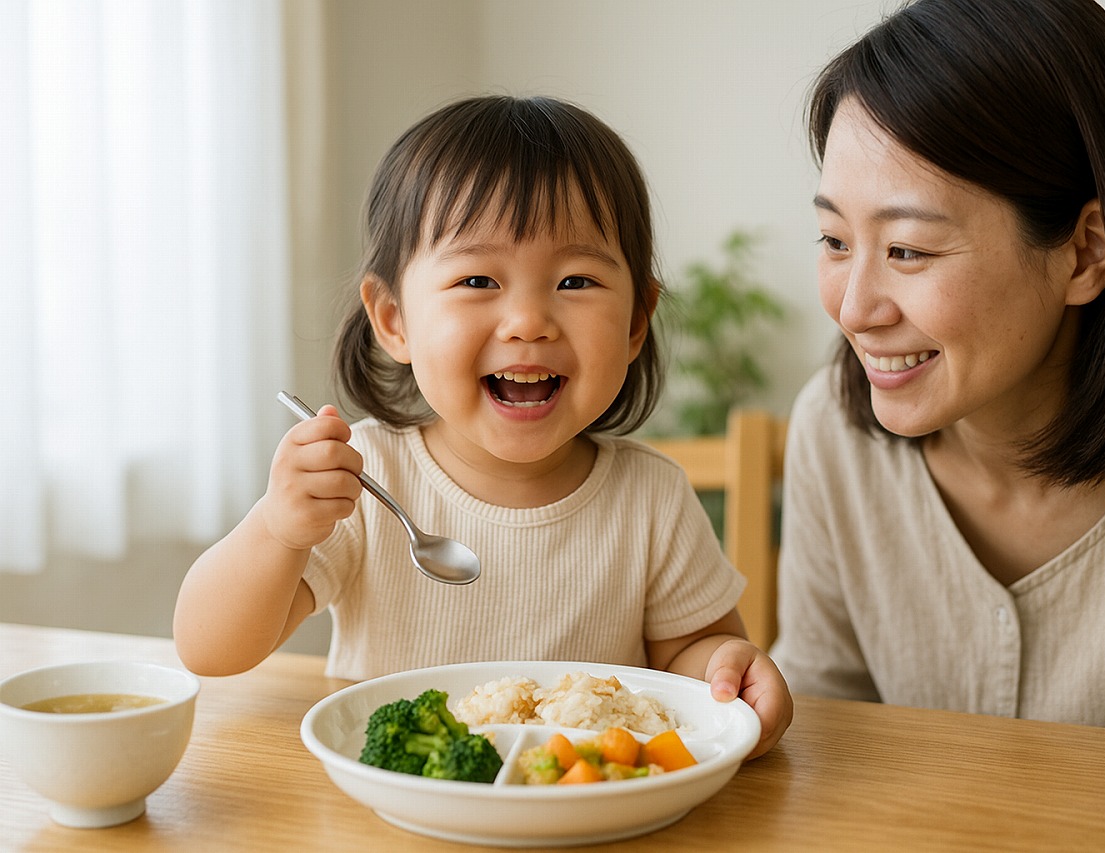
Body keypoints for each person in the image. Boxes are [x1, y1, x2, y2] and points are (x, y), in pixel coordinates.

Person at [174, 95, 791, 757]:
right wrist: (277, 526)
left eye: (576, 280)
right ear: (393, 320)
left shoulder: (652, 497)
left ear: (637, 320)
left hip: (584, 809)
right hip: (400, 807)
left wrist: (729, 668)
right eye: (477, 278)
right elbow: (209, 647)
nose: (528, 320)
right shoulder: (370, 478)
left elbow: (693, 656)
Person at [770, 0, 1105, 745]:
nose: (854, 309)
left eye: (908, 249)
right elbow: (817, 744)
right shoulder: (833, 432)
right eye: (835, 239)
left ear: (1086, 251)